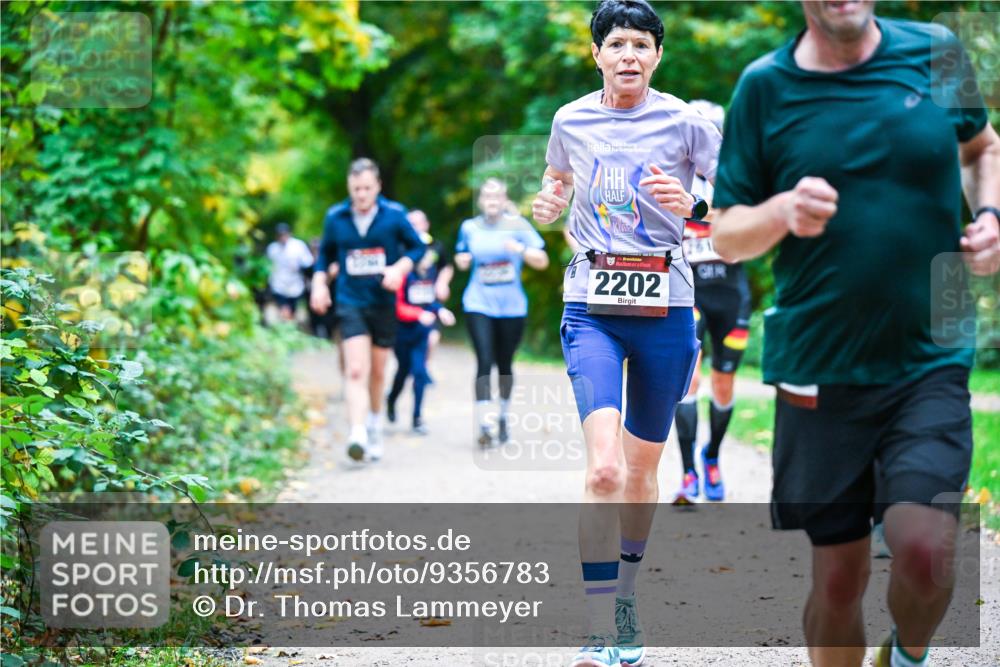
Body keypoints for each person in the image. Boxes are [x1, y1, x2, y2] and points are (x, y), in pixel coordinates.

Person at [711, 2, 999, 666]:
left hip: (931, 350)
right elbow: (726, 232)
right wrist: (781, 210)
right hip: (820, 362)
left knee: (926, 549)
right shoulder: (764, 86)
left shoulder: (936, 51)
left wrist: (991, 214)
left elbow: (983, 147)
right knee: (839, 578)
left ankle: (908, 651)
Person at [531, 1, 720, 664]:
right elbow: (554, 184)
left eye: (642, 44)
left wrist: (695, 205)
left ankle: (625, 600)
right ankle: (595, 617)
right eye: (617, 44)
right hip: (592, 304)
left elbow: (739, 206)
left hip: (667, 305)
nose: (630, 55)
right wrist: (546, 203)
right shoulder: (570, 119)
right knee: (605, 468)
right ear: (597, 55)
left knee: (642, 472)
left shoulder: (688, 122)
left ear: (658, 56)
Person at [310, 158, 426, 463]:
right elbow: (324, 257)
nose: (361, 195)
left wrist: (399, 269)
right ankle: (357, 433)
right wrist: (319, 285)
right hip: (350, 301)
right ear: (349, 187)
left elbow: (418, 248)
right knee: (356, 369)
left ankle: (374, 425)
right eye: (356, 188)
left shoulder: (394, 215)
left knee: (376, 372)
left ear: (378, 187)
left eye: (367, 188)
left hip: (383, 303)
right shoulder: (336, 217)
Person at [671, 100, 751, 505]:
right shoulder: (673, 176)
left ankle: (712, 457)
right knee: (689, 380)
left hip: (731, 294)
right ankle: (687, 472)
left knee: (723, 383)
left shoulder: (735, 181)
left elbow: (752, 236)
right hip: (689, 292)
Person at [455, 178, 549, 448]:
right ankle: (485, 423)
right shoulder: (469, 228)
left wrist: (519, 249)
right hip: (478, 303)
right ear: (480, 200)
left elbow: (541, 261)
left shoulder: (518, 227)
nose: (492, 201)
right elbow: (461, 256)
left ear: (505, 199)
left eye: (497, 196)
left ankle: (503, 417)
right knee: (484, 360)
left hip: (512, 306)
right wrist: (461, 261)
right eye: (487, 196)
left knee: (505, 363)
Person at [385, 223, 457, 434]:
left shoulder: (430, 275)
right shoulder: (404, 275)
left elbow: (430, 302)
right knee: (403, 371)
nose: (426, 256)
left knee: (419, 372)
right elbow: (398, 307)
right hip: (402, 332)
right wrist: (420, 314)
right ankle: (391, 399)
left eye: (428, 252)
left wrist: (440, 311)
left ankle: (417, 418)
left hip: (421, 332)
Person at [406, 209, 455, 378]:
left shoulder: (436, 246)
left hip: (430, 301)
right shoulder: (401, 246)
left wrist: (442, 283)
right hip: (407, 303)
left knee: (432, 339)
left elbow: (447, 267)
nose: (414, 226)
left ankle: (423, 369)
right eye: (410, 223)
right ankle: (410, 368)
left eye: (417, 222)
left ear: (426, 224)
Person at [266, 223, 313, 322]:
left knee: (292, 311)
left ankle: (289, 328)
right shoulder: (272, 248)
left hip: (295, 284)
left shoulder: (298, 246)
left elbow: (308, 262)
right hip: (278, 284)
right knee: (284, 310)